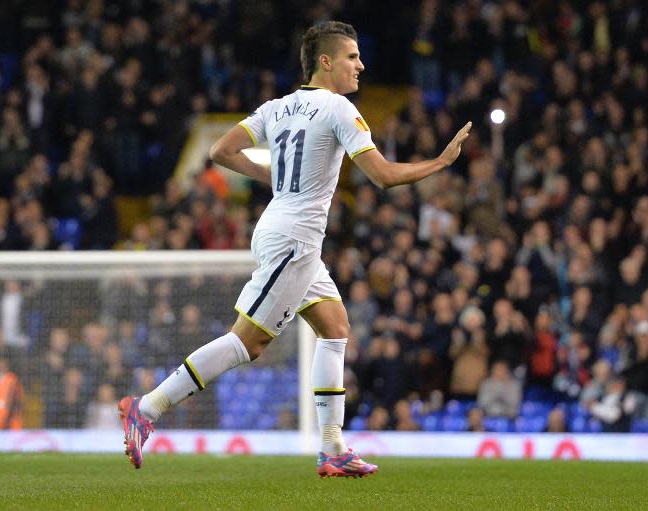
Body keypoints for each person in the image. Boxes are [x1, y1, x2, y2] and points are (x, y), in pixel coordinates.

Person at [118, 20, 472, 476]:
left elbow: (221, 152)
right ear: (326, 62)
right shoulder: (340, 109)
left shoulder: (278, 107)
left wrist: (279, 180)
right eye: (352, 57)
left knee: (335, 326)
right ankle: (145, 409)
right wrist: (441, 162)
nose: (360, 65)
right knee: (248, 343)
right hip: (295, 239)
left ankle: (332, 449)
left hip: (284, 229)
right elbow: (382, 176)